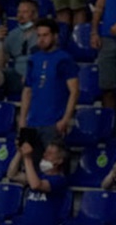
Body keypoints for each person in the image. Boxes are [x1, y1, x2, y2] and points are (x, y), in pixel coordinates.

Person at [17, 19, 80, 151]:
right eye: (39, 35)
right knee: (30, 164)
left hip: (53, 122)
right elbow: (27, 90)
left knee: (51, 164)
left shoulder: (64, 59)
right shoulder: (33, 59)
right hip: (33, 122)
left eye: (45, 35)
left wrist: (65, 119)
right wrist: (22, 119)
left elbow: (74, 91)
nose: (41, 39)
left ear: (55, 36)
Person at [0, 0, 41, 102]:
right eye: (19, 12)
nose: (20, 15)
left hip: (38, 76)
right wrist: (0, 42)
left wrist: (30, 75)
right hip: (17, 76)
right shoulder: (13, 34)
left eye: (25, 12)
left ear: (35, 15)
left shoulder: (44, 34)